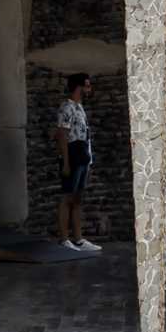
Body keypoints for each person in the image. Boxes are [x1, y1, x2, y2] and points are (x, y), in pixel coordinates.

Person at [54, 74, 100, 253]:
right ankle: (64, 238)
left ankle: (78, 239)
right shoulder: (66, 107)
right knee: (67, 197)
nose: (89, 89)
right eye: (87, 86)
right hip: (72, 155)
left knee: (77, 198)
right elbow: (62, 135)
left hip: (83, 156)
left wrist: (89, 159)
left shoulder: (79, 107)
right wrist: (65, 162)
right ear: (79, 87)